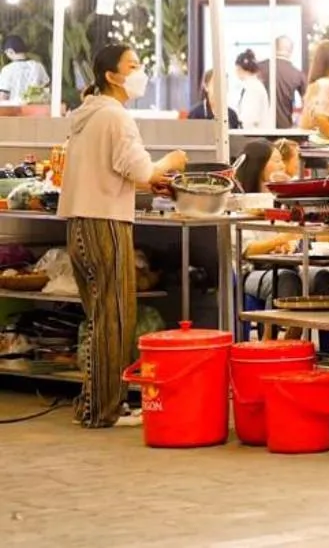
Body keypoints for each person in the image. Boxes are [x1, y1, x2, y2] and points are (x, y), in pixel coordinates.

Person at [58, 43, 187, 427]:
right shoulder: (114, 116)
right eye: (132, 66)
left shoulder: (89, 114)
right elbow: (140, 168)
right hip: (104, 223)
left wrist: (151, 179)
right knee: (113, 318)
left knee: (102, 318)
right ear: (112, 76)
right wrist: (173, 161)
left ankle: (95, 403)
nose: (139, 71)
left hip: (82, 221)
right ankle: (103, 410)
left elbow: (119, 171)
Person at [258, 36, 306, 132]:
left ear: (274, 48)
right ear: (291, 51)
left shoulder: (258, 68)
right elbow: (307, 102)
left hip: (259, 128)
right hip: (285, 129)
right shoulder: (297, 73)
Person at [226, 50, 275, 132]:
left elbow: (249, 118)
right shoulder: (253, 86)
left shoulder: (253, 88)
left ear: (239, 68)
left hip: (253, 133)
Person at [1, 34, 52, 104]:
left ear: (11, 51)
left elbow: (3, 96)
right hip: (36, 110)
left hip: (15, 110)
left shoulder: (7, 70)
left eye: (6, 52)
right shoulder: (38, 66)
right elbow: (47, 90)